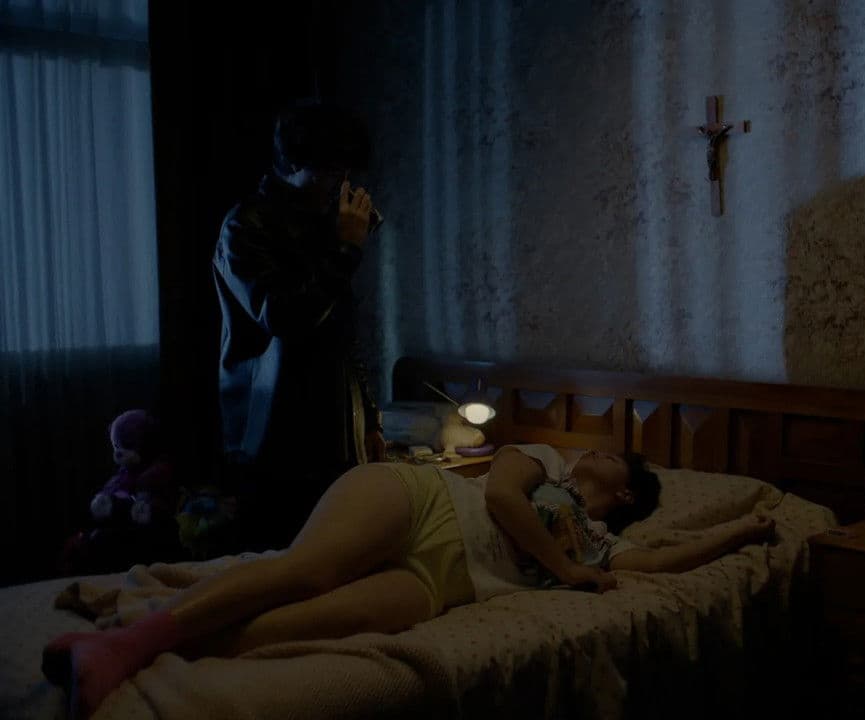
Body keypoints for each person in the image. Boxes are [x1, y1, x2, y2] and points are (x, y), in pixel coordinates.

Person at [42, 444, 776, 717]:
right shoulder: (546, 459)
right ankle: (125, 643)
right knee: (310, 571)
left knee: (304, 625)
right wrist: (566, 571)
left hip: (447, 582)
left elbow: (661, 563)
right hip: (422, 501)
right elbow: (499, 497)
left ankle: (136, 651)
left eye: (613, 456)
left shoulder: (604, 543)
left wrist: (742, 532)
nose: (597, 452)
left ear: (626, 491)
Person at [212, 102, 386, 551]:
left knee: (333, 557)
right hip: (273, 434)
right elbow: (283, 316)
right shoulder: (245, 225)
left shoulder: (324, 222)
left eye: (345, 171)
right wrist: (345, 250)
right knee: (277, 559)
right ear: (293, 163)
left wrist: (368, 418)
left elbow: (342, 331)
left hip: (330, 431)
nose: (339, 183)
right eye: (330, 171)